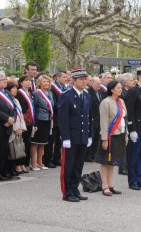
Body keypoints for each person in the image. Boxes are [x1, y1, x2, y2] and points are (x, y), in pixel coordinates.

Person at [58, 68, 93, 202]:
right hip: (71, 137)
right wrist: (65, 137)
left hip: (82, 136)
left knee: (78, 165)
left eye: (85, 79)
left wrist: (90, 135)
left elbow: (89, 117)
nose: (84, 81)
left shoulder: (86, 95)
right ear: (73, 80)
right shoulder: (66, 96)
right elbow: (63, 119)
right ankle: (67, 192)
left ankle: (74, 189)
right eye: (81, 79)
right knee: (68, 165)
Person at [95, 80, 127, 196]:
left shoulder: (121, 101)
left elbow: (125, 120)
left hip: (120, 134)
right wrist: (104, 139)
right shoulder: (105, 102)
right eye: (118, 88)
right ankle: (104, 185)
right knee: (105, 161)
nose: (120, 89)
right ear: (112, 89)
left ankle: (110, 183)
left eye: (121, 88)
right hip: (109, 135)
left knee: (113, 161)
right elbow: (104, 122)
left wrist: (126, 136)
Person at [30, 75, 54, 171]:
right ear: (39, 83)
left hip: (48, 119)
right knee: (35, 142)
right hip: (39, 120)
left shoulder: (50, 93)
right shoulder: (36, 93)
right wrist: (34, 123)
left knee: (43, 142)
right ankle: (33, 163)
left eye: (48, 82)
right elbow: (34, 108)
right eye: (44, 82)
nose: (46, 83)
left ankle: (40, 162)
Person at [44, 71, 67, 168]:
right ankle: (47, 160)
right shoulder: (53, 89)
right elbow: (53, 104)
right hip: (55, 117)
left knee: (59, 140)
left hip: (62, 119)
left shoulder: (63, 88)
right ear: (57, 77)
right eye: (64, 77)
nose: (66, 79)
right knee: (51, 140)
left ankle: (56, 158)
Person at [6, 79, 27, 175]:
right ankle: (11, 168)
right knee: (11, 149)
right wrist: (16, 128)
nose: (15, 90)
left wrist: (21, 127)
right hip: (13, 128)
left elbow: (20, 115)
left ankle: (17, 165)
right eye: (13, 88)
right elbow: (12, 116)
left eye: (16, 88)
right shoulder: (9, 100)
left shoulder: (16, 100)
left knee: (18, 147)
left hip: (19, 127)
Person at [16, 74, 36, 171]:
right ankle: (18, 164)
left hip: (30, 120)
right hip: (22, 120)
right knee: (21, 143)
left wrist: (34, 123)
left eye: (30, 80)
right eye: (26, 80)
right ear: (21, 82)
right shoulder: (19, 93)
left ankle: (24, 163)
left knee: (27, 142)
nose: (29, 82)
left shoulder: (31, 93)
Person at [118, 73, 135, 175]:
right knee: (123, 145)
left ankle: (126, 164)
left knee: (128, 145)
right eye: (131, 80)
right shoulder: (122, 93)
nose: (133, 82)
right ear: (125, 82)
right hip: (122, 120)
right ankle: (122, 167)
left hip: (128, 119)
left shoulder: (130, 91)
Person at [86, 77, 105, 162]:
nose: (100, 85)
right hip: (92, 118)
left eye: (100, 83)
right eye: (98, 84)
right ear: (92, 83)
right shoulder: (88, 92)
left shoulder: (101, 92)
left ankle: (94, 154)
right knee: (91, 137)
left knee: (97, 137)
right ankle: (87, 155)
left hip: (100, 119)